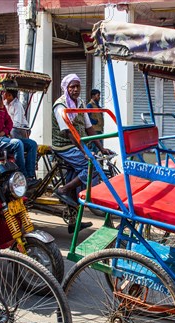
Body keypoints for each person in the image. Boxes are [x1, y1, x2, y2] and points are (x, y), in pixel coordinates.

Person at [52, 74, 112, 233]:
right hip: (64, 146)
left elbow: (89, 128)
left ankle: (73, 221)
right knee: (92, 166)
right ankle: (62, 190)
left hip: (77, 144)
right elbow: (69, 133)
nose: (75, 89)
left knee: (75, 178)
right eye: (72, 86)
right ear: (66, 88)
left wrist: (101, 148)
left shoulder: (80, 103)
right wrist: (85, 152)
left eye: (77, 86)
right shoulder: (60, 106)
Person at [0, 86, 38, 186]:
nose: (2, 97)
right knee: (17, 144)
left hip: (3, 137)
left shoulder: (0, 105)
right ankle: (23, 178)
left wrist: (3, 132)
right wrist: (0, 110)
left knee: (32, 144)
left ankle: (30, 176)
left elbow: (9, 122)